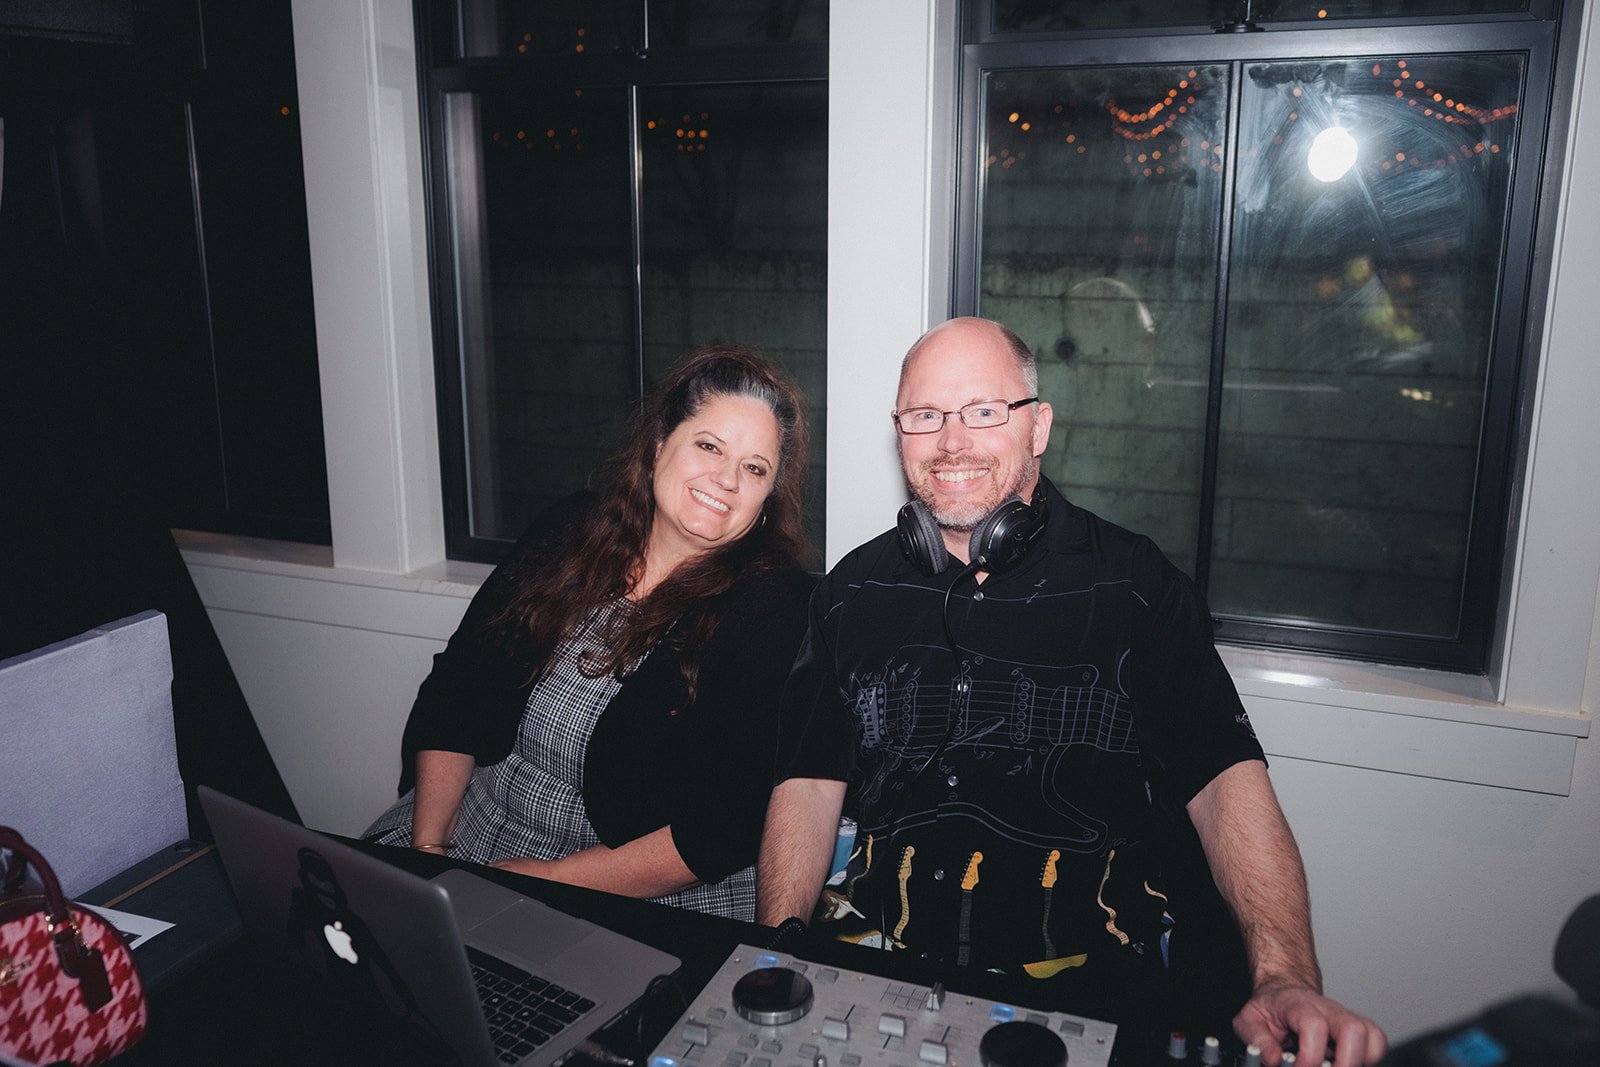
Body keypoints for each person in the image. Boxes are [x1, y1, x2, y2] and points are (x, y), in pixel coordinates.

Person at [755, 318, 1387, 1066]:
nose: (951, 442)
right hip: (885, 961)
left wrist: (1284, 975)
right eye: (925, 416)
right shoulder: (848, 593)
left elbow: (1224, 783)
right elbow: (807, 781)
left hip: (1094, 984)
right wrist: (773, 957)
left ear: (1038, 426)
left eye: (984, 410)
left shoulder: (1135, 586)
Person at [367, 344, 814, 921]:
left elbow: (722, 825)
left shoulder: (775, 608)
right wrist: (429, 854)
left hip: (625, 887)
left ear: (766, 498)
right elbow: (458, 690)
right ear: (658, 446)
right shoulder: (569, 531)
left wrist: (549, 882)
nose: (726, 479)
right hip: (469, 831)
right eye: (709, 446)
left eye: (754, 469)